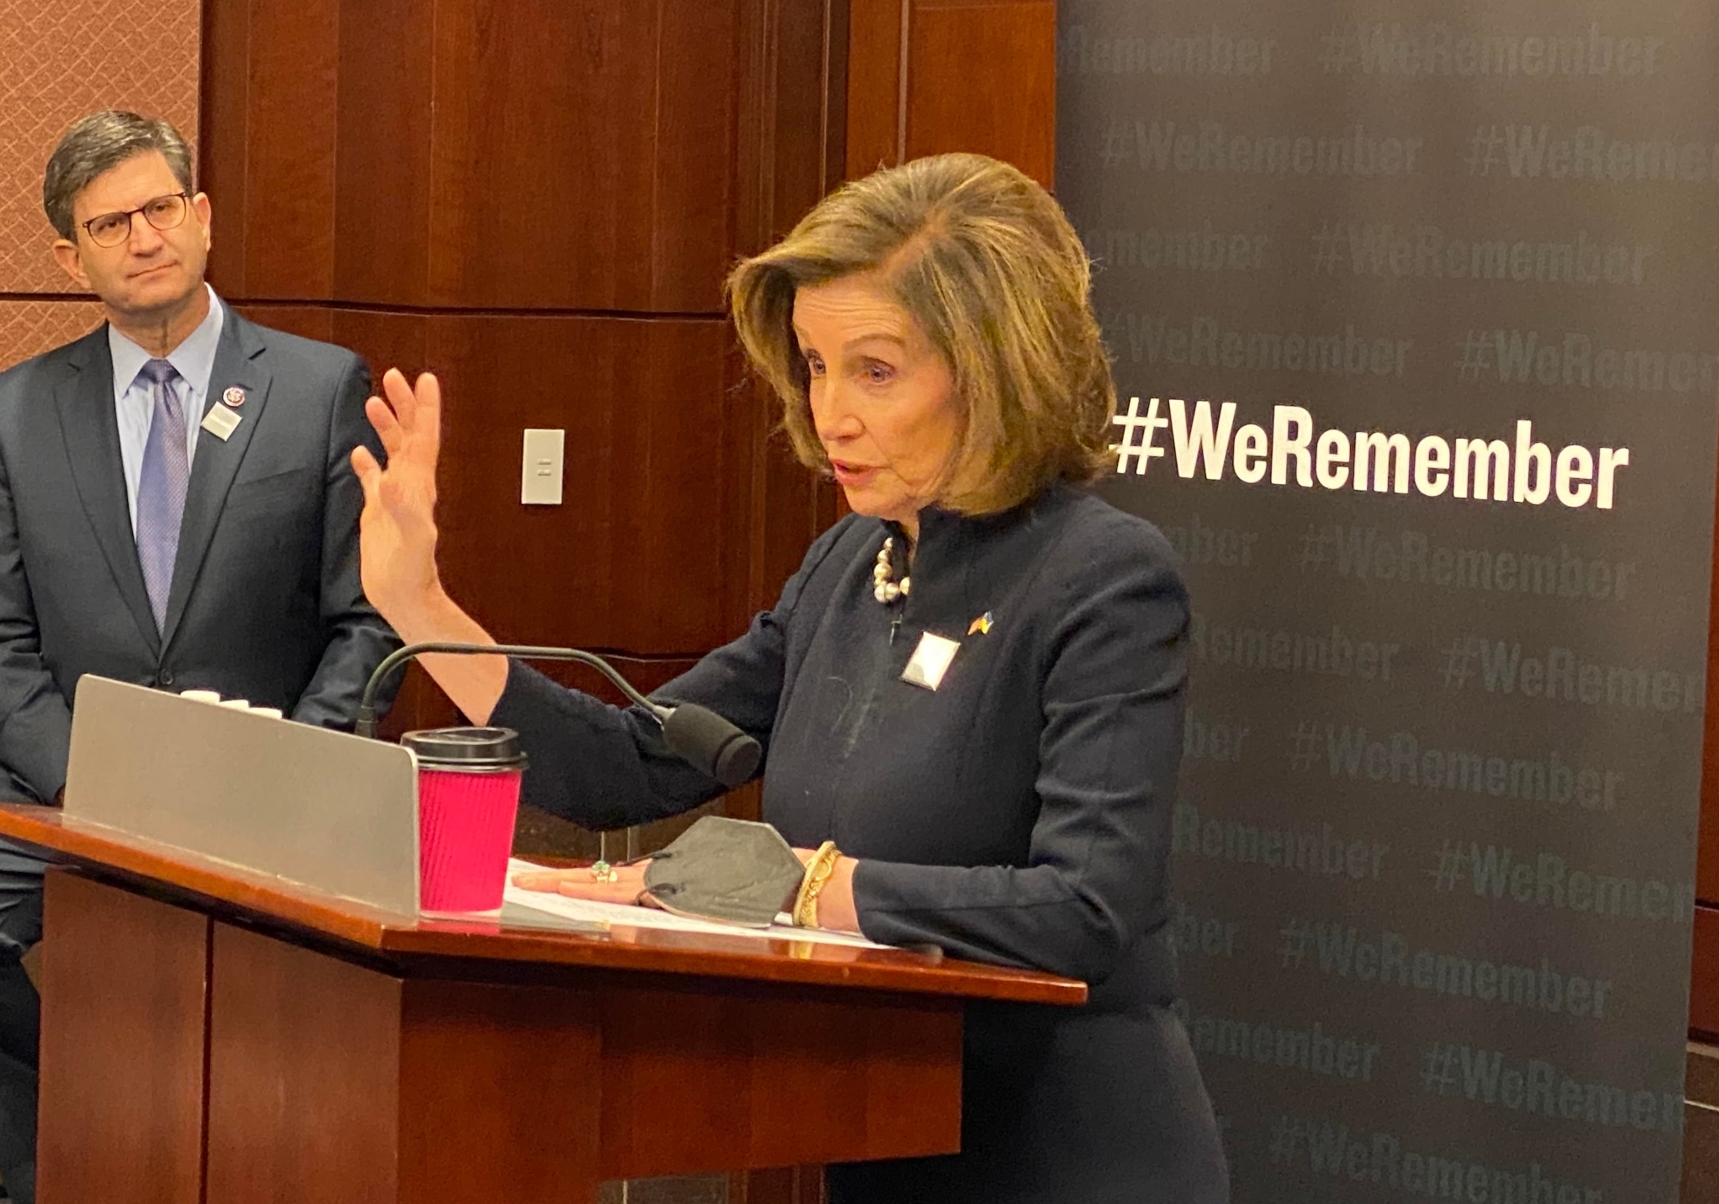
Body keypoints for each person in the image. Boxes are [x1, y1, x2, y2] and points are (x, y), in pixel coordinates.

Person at [349, 152, 1226, 1201]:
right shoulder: (850, 563)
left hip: (1061, 1153)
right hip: (879, 1136)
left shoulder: (1102, 576)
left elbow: (1085, 904)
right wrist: (423, 607)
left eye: (876, 369)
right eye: (815, 365)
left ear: (995, 368)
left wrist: (804, 886)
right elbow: (628, 766)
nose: (829, 413)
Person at [0, 110, 396, 1203]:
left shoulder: (318, 386)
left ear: (201, 219)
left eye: (161, 209)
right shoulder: (16, 409)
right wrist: (87, 780)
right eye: (111, 223)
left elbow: (369, 621)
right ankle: (84, 1161)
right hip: (67, 781)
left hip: (265, 785)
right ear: (73, 255)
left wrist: (296, 763)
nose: (143, 237)